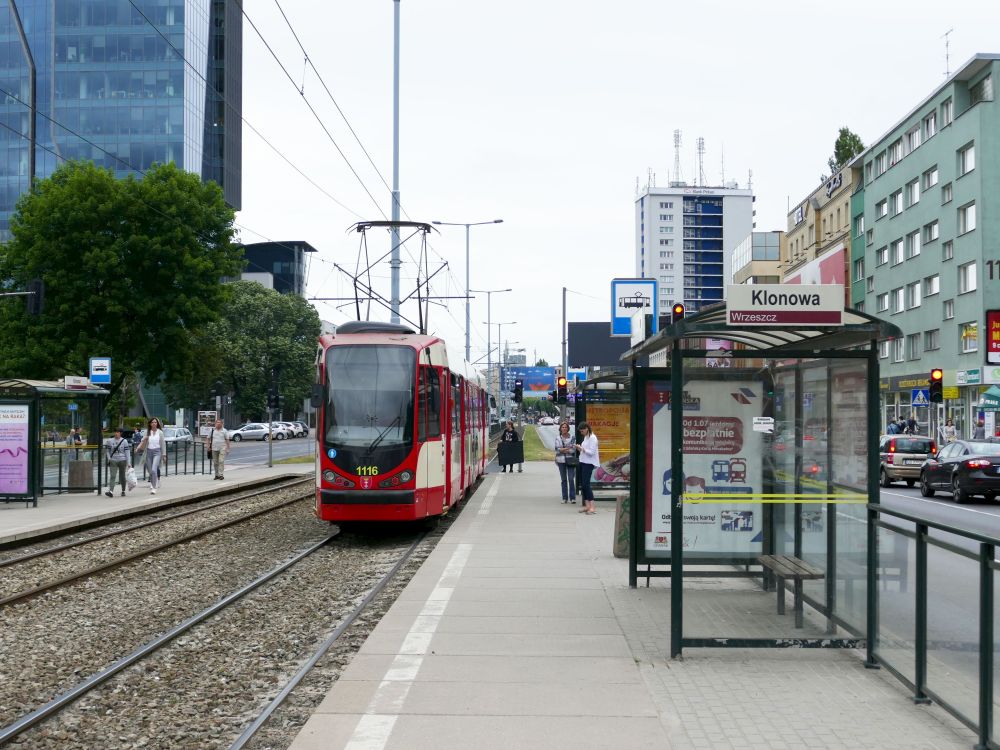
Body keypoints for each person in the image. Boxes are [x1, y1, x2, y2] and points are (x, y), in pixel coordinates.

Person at [136, 417, 167, 494]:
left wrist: (164, 455)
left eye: (155, 422)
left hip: (157, 452)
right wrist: (141, 443)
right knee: (150, 471)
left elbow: (163, 444)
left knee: (154, 469)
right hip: (148, 452)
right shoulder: (147, 432)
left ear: (157, 424)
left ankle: (154, 487)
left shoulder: (160, 432)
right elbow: (142, 441)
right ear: (150, 424)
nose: (154, 424)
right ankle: (153, 482)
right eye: (152, 422)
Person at [576, 421, 600, 515]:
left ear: (586, 429)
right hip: (583, 461)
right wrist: (580, 449)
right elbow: (585, 451)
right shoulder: (586, 437)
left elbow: (591, 452)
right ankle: (587, 506)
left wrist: (582, 449)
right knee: (583, 484)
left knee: (586, 484)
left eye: (582, 431)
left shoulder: (593, 438)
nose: (581, 433)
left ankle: (592, 507)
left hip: (589, 463)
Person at [104, 427, 131, 497]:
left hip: (122, 460)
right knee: (112, 475)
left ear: (120, 433)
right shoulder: (110, 441)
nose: (116, 433)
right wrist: (109, 458)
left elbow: (127, 452)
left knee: (122, 476)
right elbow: (107, 451)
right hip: (113, 460)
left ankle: (123, 490)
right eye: (115, 432)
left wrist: (129, 462)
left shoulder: (124, 441)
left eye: (118, 432)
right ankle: (111, 491)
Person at [554, 421, 577, 503]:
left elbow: (573, 449)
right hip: (561, 461)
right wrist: (567, 448)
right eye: (562, 427)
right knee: (563, 480)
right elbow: (557, 449)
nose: (564, 428)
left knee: (571, 479)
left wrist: (563, 449)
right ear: (560, 429)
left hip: (570, 460)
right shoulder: (558, 438)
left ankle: (572, 498)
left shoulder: (572, 438)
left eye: (565, 427)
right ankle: (564, 498)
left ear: (568, 428)